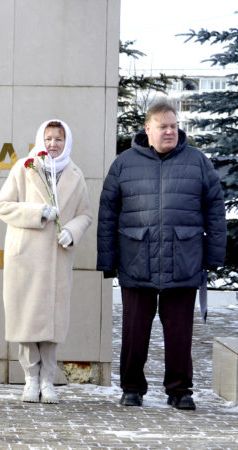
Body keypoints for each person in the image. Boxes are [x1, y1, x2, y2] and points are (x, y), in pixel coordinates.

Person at [97, 98, 226, 410]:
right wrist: (108, 261)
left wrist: (213, 257)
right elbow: (107, 215)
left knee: (180, 334)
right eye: (163, 126)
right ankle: (131, 388)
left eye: (173, 126)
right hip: (136, 260)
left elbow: (216, 211)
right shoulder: (124, 164)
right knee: (134, 331)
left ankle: (180, 391)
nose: (169, 132)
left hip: (184, 260)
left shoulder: (198, 161)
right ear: (148, 128)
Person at [0, 120, 93, 404]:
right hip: (25, 256)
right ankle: (30, 378)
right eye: (48, 138)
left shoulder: (75, 174)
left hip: (56, 258)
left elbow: (85, 214)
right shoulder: (25, 167)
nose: (52, 144)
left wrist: (71, 232)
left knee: (51, 321)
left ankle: (48, 379)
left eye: (58, 139)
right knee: (26, 319)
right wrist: (38, 212)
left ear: (67, 142)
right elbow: (3, 206)